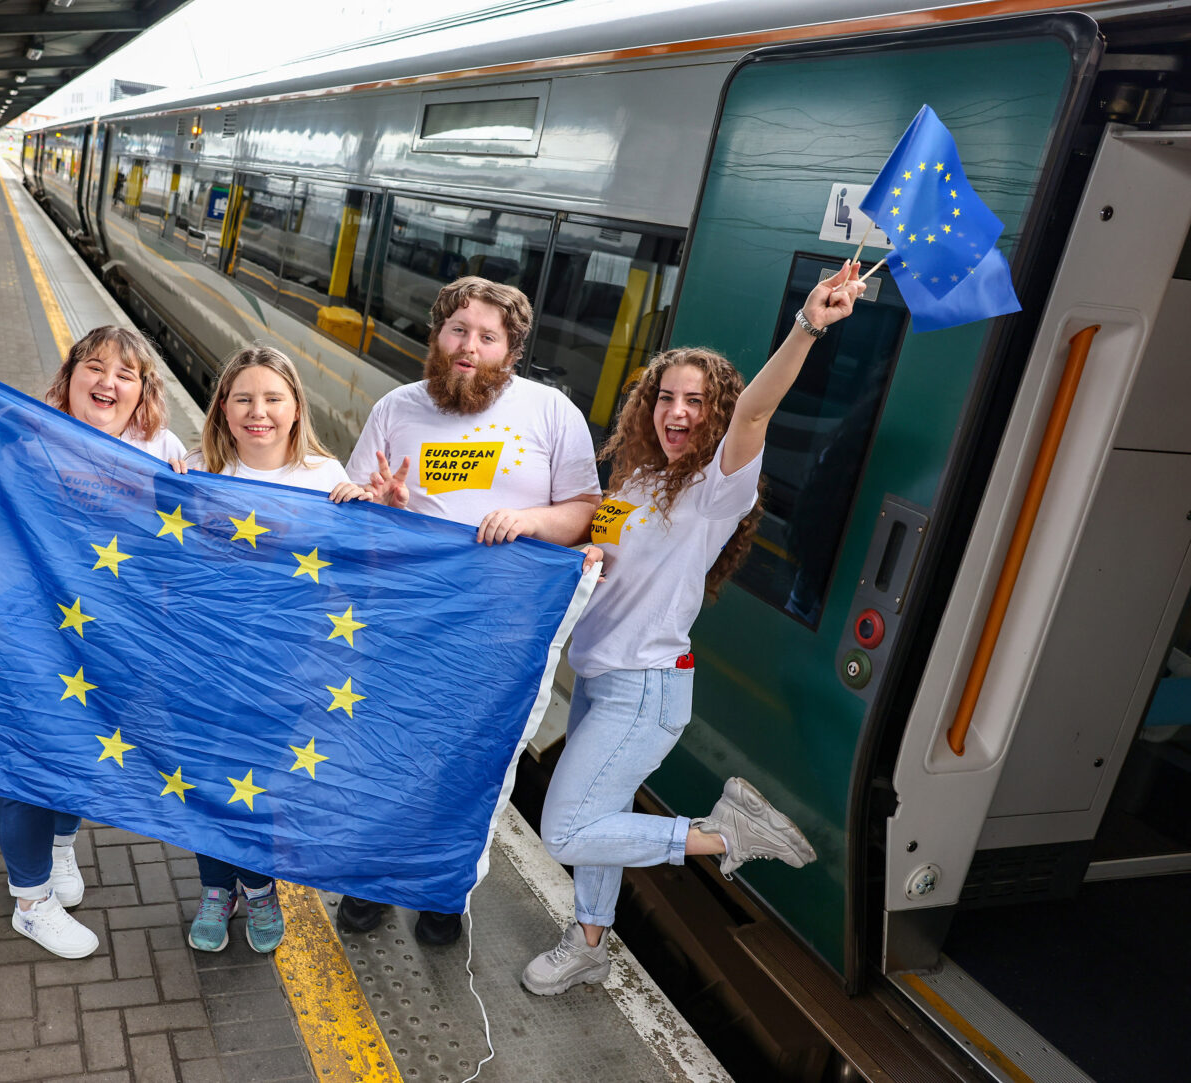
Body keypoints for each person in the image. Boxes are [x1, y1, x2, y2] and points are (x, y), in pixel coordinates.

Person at [520, 263, 866, 997]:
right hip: (599, 675)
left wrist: (808, 324)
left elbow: (756, 415)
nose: (676, 412)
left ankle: (727, 834)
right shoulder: (637, 479)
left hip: (642, 691)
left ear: (716, 413)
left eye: (695, 401)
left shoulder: (716, 489)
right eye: (664, 397)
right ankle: (587, 941)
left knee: (566, 830)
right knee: (601, 816)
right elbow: (599, 559)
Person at [341, 276, 603, 946]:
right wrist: (385, 506)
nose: (470, 347)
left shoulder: (551, 414)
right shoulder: (398, 408)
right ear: (438, 334)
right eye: (458, 330)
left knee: (466, 764)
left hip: (498, 633)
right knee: (388, 752)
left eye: (488, 336)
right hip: (405, 621)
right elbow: (356, 515)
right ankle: (367, 879)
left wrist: (530, 518)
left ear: (511, 351)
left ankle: (442, 889)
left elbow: (583, 512)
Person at [170, 345, 369, 954]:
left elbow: (357, 575)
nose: (259, 412)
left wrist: (371, 516)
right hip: (205, 660)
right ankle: (214, 888)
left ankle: (257, 888)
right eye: (244, 399)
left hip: (286, 666)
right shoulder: (197, 470)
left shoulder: (326, 479)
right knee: (205, 775)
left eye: (273, 398)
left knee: (257, 778)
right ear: (223, 409)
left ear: (295, 407)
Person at [0, 325, 186, 958]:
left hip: (116, 636)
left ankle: (57, 847)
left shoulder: (161, 447)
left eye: (125, 375)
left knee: (84, 746)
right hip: (35, 627)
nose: (108, 383)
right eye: (96, 368)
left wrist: (188, 487)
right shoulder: (30, 436)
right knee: (28, 756)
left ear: (142, 390)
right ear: (71, 374)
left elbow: (181, 542)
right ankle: (30, 900)